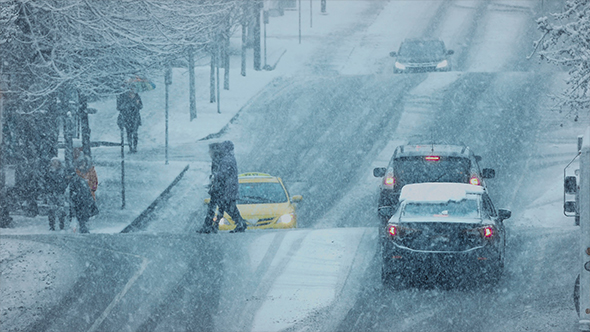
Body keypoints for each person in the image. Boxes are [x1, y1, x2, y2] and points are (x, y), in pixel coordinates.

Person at [198, 141, 247, 233]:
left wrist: (214, 178)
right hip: (222, 188)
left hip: (224, 188)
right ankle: (211, 226)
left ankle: (239, 223)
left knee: (226, 207)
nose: (209, 152)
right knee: (221, 207)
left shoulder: (226, 159)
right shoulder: (224, 158)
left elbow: (222, 174)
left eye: (210, 150)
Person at [68, 168, 97, 233]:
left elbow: (73, 193)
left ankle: (83, 228)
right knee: (83, 216)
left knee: (81, 216)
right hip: (83, 201)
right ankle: (83, 227)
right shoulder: (81, 181)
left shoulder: (75, 181)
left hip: (80, 201)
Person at [44, 158, 68, 231]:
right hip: (50, 193)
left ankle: (61, 225)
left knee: (61, 209)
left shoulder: (62, 172)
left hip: (60, 192)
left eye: (56, 162)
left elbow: (65, 181)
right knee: (51, 210)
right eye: (53, 162)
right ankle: (51, 226)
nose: (54, 164)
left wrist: (62, 188)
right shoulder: (48, 171)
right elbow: (45, 181)